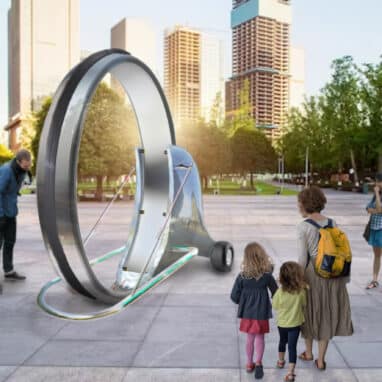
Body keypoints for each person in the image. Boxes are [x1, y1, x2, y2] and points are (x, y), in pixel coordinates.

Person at [296, 186, 353, 370]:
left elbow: (302, 259)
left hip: (313, 275)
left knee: (310, 313)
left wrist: (298, 279)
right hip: (332, 276)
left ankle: (308, 352)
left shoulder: (303, 226)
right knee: (326, 315)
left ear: (304, 204)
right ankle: (320, 360)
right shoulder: (332, 222)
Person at [230, 242, 278, 379]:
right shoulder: (267, 276)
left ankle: (249, 364)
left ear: (246, 258)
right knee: (260, 337)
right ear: (262, 256)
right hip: (261, 313)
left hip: (247, 313)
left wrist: (243, 301)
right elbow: (276, 293)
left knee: (250, 338)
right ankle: (258, 363)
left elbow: (234, 297)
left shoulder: (242, 277)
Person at [0, 149, 31, 289]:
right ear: (18, 162)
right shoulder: (7, 171)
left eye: (29, 164)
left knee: (10, 241)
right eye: (25, 165)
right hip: (1, 213)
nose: (27, 167)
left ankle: (9, 271)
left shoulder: (21, 171)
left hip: (11, 212)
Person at [273, 261, 307, 382]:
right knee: (292, 347)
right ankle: (290, 373)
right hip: (295, 325)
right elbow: (304, 304)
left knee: (282, 342)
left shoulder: (279, 292)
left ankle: (281, 361)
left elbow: (275, 305)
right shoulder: (301, 292)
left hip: (282, 324)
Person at [365, 173, 382, 289]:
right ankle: (375, 280)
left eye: (379, 182)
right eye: (376, 181)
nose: (376, 184)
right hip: (374, 228)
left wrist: (376, 193)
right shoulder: (376, 195)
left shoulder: (377, 194)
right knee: (377, 256)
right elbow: (368, 209)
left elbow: (379, 208)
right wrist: (376, 210)